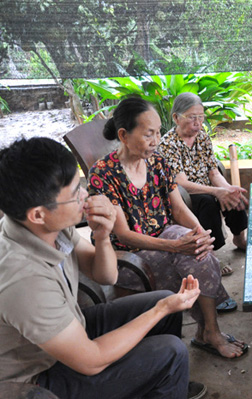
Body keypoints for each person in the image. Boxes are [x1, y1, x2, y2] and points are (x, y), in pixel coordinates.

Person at [0, 137, 207, 398]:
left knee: (165, 304)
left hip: (69, 329)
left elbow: (106, 275)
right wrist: (159, 310)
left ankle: (164, 381)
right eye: (75, 194)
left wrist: (101, 235)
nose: (86, 195)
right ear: (38, 214)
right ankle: (167, 373)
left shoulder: (48, 228)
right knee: (170, 348)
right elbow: (91, 359)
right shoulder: (23, 280)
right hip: (37, 376)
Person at [88, 97, 247, 359]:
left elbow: (178, 209)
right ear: (124, 135)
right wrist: (175, 246)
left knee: (201, 253)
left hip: (163, 234)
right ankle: (198, 335)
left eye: (159, 132)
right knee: (185, 261)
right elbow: (123, 234)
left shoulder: (157, 162)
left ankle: (209, 331)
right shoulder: (103, 174)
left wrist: (200, 234)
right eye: (149, 134)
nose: (156, 140)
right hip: (130, 251)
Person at [159, 92, 248, 265]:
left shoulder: (202, 137)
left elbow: (213, 172)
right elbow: (181, 183)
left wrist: (226, 190)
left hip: (206, 187)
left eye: (200, 117)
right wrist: (217, 192)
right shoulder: (168, 144)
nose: (197, 123)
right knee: (207, 202)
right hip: (183, 193)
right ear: (176, 118)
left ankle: (239, 237)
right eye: (192, 117)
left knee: (232, 193)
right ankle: (210, 255)